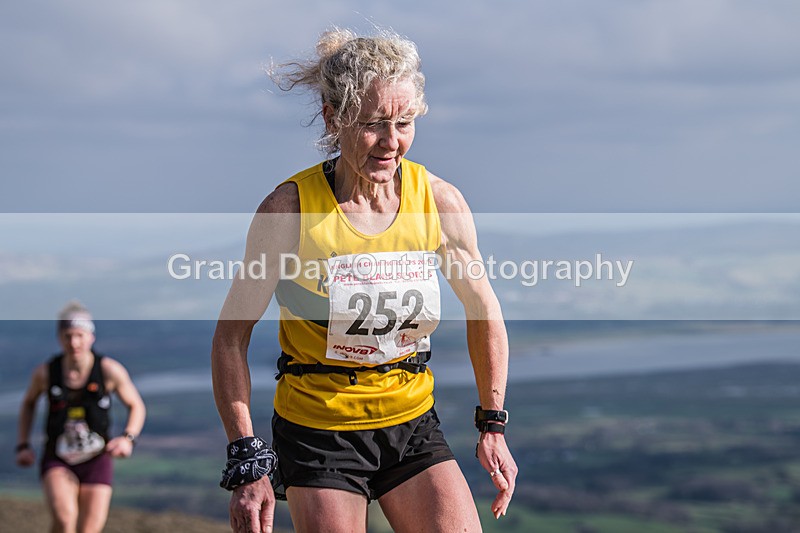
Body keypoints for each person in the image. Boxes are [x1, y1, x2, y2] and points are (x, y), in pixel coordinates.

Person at [212, 28, 517, 533]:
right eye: (374, 124)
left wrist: (493, 423)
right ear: (334, 118)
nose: (392, 142)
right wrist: (246, 456)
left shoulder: (438, 202)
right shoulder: (289, 210)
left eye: (404, 123)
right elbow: (230, 337)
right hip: (319, 430)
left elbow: (483, 308)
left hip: (411, 423)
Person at [15, 301, 146, 533]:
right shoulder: (46, 373)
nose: (74, 342)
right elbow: (28, 403)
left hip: (97, 458)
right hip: (58, 457)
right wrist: (23, 444)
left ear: (91, 337)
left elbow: (136, 405)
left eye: (79, 335)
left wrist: (128, 438)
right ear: (59, 338)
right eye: (68, 336)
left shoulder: (109, 370)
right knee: (65, 520)